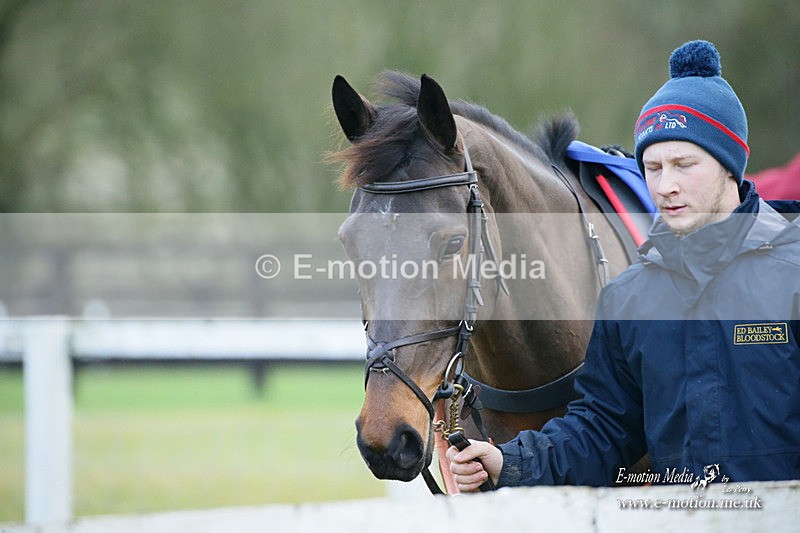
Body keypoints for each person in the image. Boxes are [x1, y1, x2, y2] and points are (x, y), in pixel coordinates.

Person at [448, 40, 800, 490]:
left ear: (730, 166)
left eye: (683, 164)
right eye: (652, 167)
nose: (666, 185)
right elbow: (601, 431)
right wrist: (507, 463)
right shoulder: (628, 297)